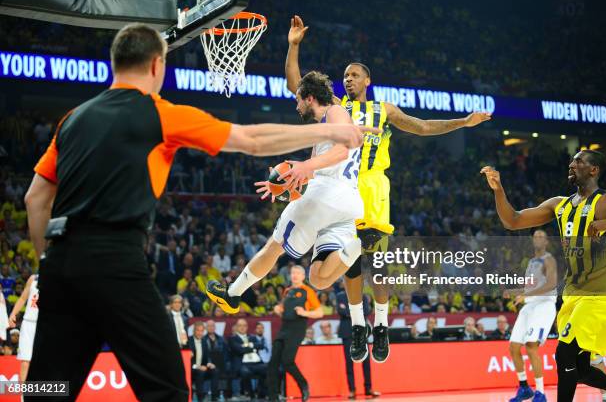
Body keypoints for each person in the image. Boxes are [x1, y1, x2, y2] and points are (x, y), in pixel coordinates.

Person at [24, 23, 365, 402]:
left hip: (59, 266)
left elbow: (35, 199)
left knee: (45, 388)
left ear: (115, 62)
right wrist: (330, 135)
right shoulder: (161, 114)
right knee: (167, 388)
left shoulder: (72, 119)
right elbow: (251, 140)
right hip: (116, 262)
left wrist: (47, 262)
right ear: (157, 66)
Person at [285, 15, 492, 364]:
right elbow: (296, 86)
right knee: (348, 263)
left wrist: (463, 122)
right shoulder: (335, 107)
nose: (348, 79)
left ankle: (380, 325)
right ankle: (357, 327)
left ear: (368, 80)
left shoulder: (385, 109)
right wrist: (293, 46)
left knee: (377, 263)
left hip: (374, 187)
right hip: (340, 186)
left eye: (354, 75)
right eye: (345, 75)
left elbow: (424, 127)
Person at [207, 71, 370, 313]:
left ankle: (232, 294)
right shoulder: (323, 131)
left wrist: (305, 165)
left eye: (298, 99)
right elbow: (319, 168)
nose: (296, 105)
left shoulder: (335, 112)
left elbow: (342, 151)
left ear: (310, 98)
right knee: (319, 278)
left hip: (325, 196)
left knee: (275, 246)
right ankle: (361, 244)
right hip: (347, 202)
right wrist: (286, 183)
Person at [481, 149, 606, 402]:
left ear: (594, 170)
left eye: (579, 161)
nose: (572, 164)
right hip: (573, 296)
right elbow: (513, 220)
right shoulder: (559, 205)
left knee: (563, 355)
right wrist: (498, 190)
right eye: (572, 160)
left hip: (601, 296)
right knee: (581, 368)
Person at [504, 229, 558, 402]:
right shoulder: (531, 263)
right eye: (535, 236)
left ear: (547, 242)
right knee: (513, 347)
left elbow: (550, 285)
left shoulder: (549, 260)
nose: (538, 239)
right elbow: (529, 288)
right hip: (530, 306)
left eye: (541, 236)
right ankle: (524, 388)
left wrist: (526, 295)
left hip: (544, 305)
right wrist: (513, 291)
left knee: (531, 346)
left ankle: (540, 393)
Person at [268, 265, 323, 402]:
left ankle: (303, 385)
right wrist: (277, 309)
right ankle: (273, 397)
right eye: (293, 272)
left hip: (297, 328)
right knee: (273, 362)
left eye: (298, 273)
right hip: (284, 328)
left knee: (287, 361)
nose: (295, 275)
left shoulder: (308, 291)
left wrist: (305, 312)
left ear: (303, 276)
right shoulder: (287, 291)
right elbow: (282, 308)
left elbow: (320, 312)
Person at [336, 289, 379, 399]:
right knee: (349, 363)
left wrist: (349, 312)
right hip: (347, 332)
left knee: (366, 362)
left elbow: (367, 311)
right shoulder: (340, 296)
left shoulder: (363, 296)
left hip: (361, 332)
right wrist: (356, 313)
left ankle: (368, 389)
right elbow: (341, 311)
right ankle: (352, 390)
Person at [7, 274, 38, 381]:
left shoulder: (58, 280)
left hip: (45, 324)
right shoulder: (33, 278)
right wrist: (13, 314)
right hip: (29, 323)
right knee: (25, 360)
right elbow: (23, 298)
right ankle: (23, 395)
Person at [228, 319, 267, 400]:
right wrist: (252, 348)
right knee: (245, 372)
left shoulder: (252, 337)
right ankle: (250, 394)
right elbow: (239, 350)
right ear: (236, 327)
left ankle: (262, 394)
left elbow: (260, 345)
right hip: (242, 364)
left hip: (256, 363)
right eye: (240, 325)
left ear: (247, 327)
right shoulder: (232, 338)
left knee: (267, 368)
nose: (242, 327)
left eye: (244, 325)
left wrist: (249, 345)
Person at [188, 321, 218, 402]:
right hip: (191, 368)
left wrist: (209, 363)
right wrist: (198, 366)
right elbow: (187, 359)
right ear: (194, 331)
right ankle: (200, 398)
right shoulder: (189, 341)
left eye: (201, 331)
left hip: (202, 367)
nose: (200, 333)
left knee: (214, 371)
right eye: (198, 330)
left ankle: (214, 397)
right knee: (200, 372)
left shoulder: (204, 341)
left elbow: (207, 356)